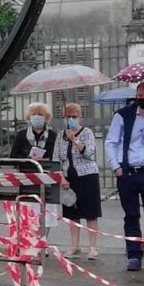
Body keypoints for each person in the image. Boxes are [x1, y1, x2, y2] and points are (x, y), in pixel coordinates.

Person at [105, 81, 144, 272]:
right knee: (131, 215)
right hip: (128, 172)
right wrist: (116, 167)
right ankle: (134, 255)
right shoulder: (123, 115)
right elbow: (111, 142)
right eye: (140, 95)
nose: (143, 100)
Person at [54, 102, 101, 260]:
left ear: (80, 117)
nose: (71, 119)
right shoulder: (60, 136)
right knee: (72, 213)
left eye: (74, 117)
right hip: (69, 177)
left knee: (90, 213)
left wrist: (75, 140)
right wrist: (61, 177)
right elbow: (56, 159)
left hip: (87, 175)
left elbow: (90, 154)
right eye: (68, 117)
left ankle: (93, 247)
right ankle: (74, 245)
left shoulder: (87, 132)